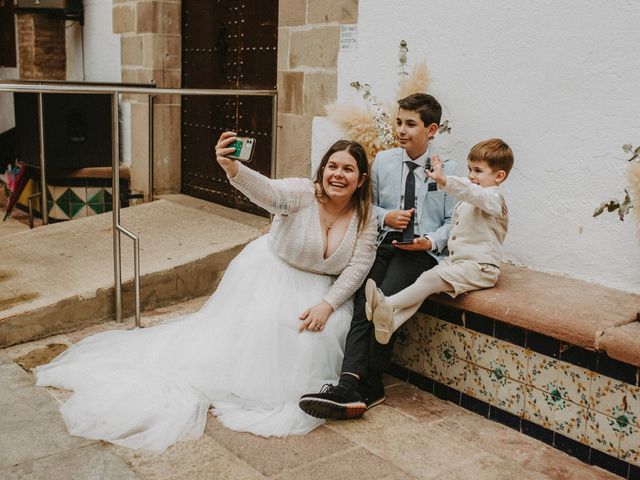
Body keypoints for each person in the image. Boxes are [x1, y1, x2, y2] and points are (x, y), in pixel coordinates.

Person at [35, 133, 378, 453]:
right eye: (332, 166)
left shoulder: (366, 218)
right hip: (271, 273)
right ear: (321, 171)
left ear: (361, 180)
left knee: (325, 333)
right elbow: (268, 192)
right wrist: (233, 168)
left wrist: (327, 304)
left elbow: (358, 268)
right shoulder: (302, 193)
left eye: (348, 169)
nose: (338, 174)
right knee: (269, 324)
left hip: (322, 291)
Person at [299, 93, 458, 419]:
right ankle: (349, 383)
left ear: (431, 130)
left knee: (381, 303)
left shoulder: (446, 169)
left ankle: (369, 383)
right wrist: (387, 217)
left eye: (410, 124)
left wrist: (428, 241)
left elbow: (451, 223)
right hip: (384, 245)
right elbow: (366, 207)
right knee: (363, 302)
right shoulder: (384, 162)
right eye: (398, 121)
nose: (401, 129)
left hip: (419, 254)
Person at [366, 138, 514, 344]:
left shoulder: (493, 198)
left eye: (478, 171)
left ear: (499, 176)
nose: (471, 175)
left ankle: (386, 304)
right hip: (457, 262)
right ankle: (392, 323)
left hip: (480, 267)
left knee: (427, 281)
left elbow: (473, 193)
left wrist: (444, 180)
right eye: (470, 169)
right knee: (424, 284)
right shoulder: (474, 197)